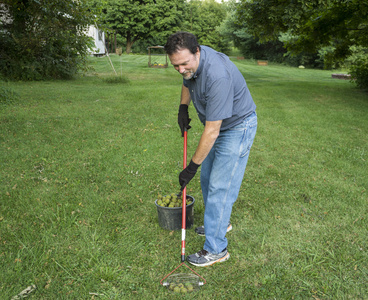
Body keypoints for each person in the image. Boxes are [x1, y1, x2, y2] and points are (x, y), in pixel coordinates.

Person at [164, 32, 257, 267]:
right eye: (175, 65)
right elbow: (187, 80)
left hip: (236, 127)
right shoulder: (191, 61)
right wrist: (182, 107)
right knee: (207, 179)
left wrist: (191, 167)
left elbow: (213, 131)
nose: (181, 69)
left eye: (184, 63)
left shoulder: (217, 75)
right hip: (217, 125)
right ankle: (220, 223)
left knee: (220, 187)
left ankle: (217, 249)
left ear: (197, 52)